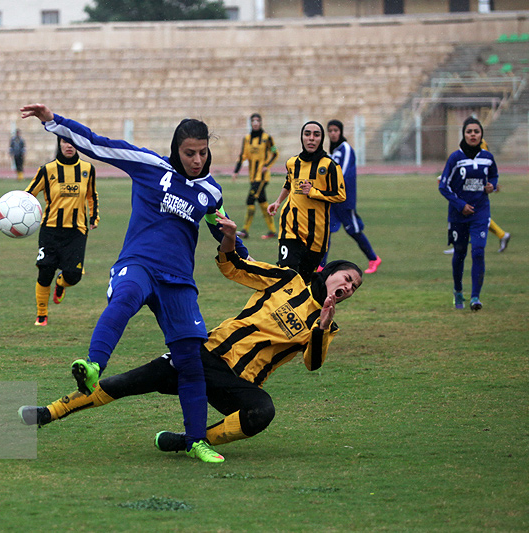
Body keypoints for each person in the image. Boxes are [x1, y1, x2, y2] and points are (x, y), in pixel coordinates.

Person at [19, 213, 363, 456]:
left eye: (354, 287)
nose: (348, 287)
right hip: (205, 355)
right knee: (127, 383)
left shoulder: (327, 325)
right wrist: (229, 238)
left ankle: (191, 441)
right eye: (347, 278)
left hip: (238, 383)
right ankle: (48, 412)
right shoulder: (289, 280)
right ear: (330, 272)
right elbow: (234, 267)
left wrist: (321, 326)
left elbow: (313, 364)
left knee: (262, 411)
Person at [20, 103, 250, 463]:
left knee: (190, 359)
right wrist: (53, 121)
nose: (197, 160)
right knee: (125, 298)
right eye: (189, 153)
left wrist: (234, 239)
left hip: (178, 280)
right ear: (175, 149)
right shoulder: (148, 165)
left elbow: (223, 234)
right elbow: (97, 144)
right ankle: (94, 366)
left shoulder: (211, 192)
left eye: (203, 153)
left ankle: (195, 441)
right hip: (139, 263)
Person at [25, 136, 99, 326]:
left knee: (73, 276)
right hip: (50, 229)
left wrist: (94, 216)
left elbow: (91, 195)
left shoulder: (87, 169)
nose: (69, 146)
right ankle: (42, 315)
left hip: (77, 231)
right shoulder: (47, 170)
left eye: (72, 142)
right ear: (59, 144)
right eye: (65, 141)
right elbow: (28, 195)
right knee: (45, 272)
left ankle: (60, 283)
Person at [267, 121, 346, 280]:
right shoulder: (292, 163)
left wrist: (313, 192)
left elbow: (340, 195)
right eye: (307, 134)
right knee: (287, 275)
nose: (311, 138)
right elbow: (289, 183)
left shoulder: (330, 166)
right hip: (291, 227)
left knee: (304, 281)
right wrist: (278, 201)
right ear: (302, 137)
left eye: (316, 135)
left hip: (316, 233)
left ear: (321, 139)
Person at [439, 116, 498, 311]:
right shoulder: (455, 158)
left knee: (478, 251)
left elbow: (494, 176)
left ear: (481, 135)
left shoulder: (487, 157)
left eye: (476, 131)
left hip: (480, 212)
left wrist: (492, 185)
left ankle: (475, 298)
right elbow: (443, 186)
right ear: (463, 134)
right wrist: (460, 204)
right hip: (459, 215)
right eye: (469, 131)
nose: (473, 135)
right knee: (460, 253)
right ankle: (458, 291)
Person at [321, 119, 381, 274]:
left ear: (341, 131)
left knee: (354, 230)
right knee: (326, 230)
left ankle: (373, 258)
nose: (333, 134)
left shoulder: (345, 149)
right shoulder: (332, 152)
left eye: (335, 130)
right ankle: (321, 265)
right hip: (332, 199)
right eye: (330, 131)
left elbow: (342, 172)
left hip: (344, 199)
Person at [442, 138, 510, 254]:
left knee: (474, 215)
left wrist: (492, 184)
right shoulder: (469, 141)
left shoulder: (479, 142)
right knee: (472, 214)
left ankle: (459, 244)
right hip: (467, 186)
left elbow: (483, 164)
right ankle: (501, 235)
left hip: (475, 189)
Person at [231, 113, 279, 240]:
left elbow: (275, 153)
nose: (256, 123)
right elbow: (242, 156)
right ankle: (272, 231)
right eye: (253, 121)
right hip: (252, 177)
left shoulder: (267, 138)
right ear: (251, 123)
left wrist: (267, 165)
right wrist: (236, 171)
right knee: (262, 202)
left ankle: (245, 230)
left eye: (258, 121)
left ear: (261, 123)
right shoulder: (247, 139)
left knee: (250, 200)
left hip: (262, 177)